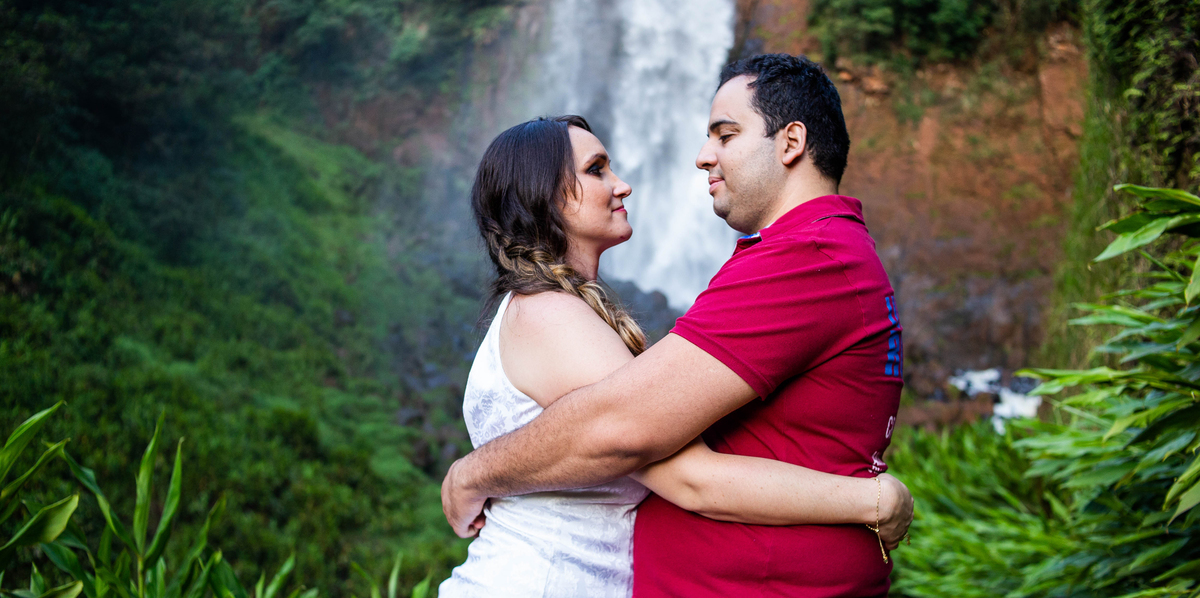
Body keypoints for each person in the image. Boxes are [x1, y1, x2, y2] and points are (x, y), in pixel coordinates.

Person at [442, 54, 907, 596]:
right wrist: (872, 499)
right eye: (597, 170)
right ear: (542, 195)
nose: (702, 157)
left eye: (725, 135)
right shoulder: (549, 312)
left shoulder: (808, 255)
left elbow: (629, 430)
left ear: (791, 142)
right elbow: (655, 452)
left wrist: (472, 472)